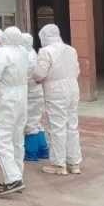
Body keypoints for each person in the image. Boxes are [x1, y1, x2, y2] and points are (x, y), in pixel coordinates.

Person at [0, 26, 29, 196]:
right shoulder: (23, 52)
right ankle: (18, 176)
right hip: (22, 98)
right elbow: (6, 38)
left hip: (6, 99)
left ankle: (13, 179)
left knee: (1, 140)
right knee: (17, 139)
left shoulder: (0, 54)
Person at [34, 24, 82, 175]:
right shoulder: (71, 50)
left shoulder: (46, 51)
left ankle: (59, 164)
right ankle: (74, 163)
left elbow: (39, 74)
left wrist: (36, 78)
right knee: (72, 126)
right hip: (73, 88)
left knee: (57, 127)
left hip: (55, 91)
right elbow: (77, 70)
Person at [22, 33, 49, 161]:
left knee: (30, 124)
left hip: (30, 94)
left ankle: (31, 153)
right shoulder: (33, 52)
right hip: (37, 93)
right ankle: (43, 150)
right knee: (37, 122)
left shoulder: (25, 57)